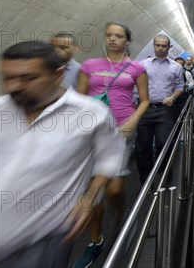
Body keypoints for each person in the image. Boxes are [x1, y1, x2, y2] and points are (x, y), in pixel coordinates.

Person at [0, 41, 124, 267]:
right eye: (8, 78)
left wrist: (88, 198)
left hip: (43, 237)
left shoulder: (91, 113)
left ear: (58, 75)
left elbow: (110, 157)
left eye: (28, 78)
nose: (15, 86)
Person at [74, 22, 149, 268]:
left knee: (115, 189)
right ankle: (96, 241)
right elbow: (80, 100)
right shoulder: (89, 66)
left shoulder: (136, 68)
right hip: (93, 132)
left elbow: (145, 100)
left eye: (118, 36)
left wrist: (133, 120)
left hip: (121, 131)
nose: (113, 39)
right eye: (109, 35)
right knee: (93, 191)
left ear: (127, 40)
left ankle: (121, 215)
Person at [136, 34, 184, 184]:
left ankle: (164, 175)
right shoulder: (143, 65)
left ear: (169, 48)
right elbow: (135, 85)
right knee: (143, 147)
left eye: (164, 46)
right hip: (145, 108)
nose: (161, 48)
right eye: (158, 45)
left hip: (164, 110)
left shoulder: (176, 67)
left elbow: (180, 86)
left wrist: (173, 97)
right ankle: (146, 180)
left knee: (164, 144)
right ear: (154, 46)